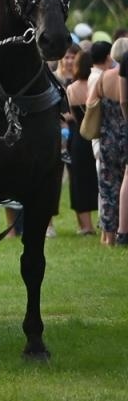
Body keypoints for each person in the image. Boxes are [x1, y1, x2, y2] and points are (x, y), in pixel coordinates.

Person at [88, 38, 127, 247]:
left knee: (108, 188)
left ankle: (108, 236)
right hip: (125, 134)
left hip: (106, 138)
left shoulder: (104, 78)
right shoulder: (124, 77)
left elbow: (91, 103)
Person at [63, 47, 98, 236]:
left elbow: (71, 116)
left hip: (78, 136)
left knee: (79, 180)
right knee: (96, 178)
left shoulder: (71, 88)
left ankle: (86, 225)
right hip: (97, 135)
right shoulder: (96, 84)